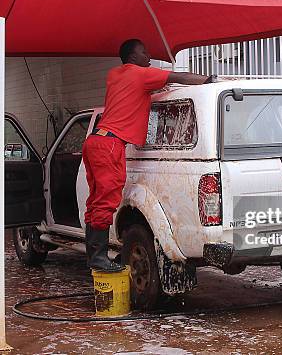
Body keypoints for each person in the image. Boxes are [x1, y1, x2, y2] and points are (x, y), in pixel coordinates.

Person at [83, 39, 214, 272]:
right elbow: (180, 79)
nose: (149, 55)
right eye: (144, 52)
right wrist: (209, 80)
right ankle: (98, 259)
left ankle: (95, 256)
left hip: (95, 141)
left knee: (95, 201)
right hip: (110, 145)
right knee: (106, 200)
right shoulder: (141, 75)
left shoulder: (115, 74)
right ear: (133, 57)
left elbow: (136, 92)